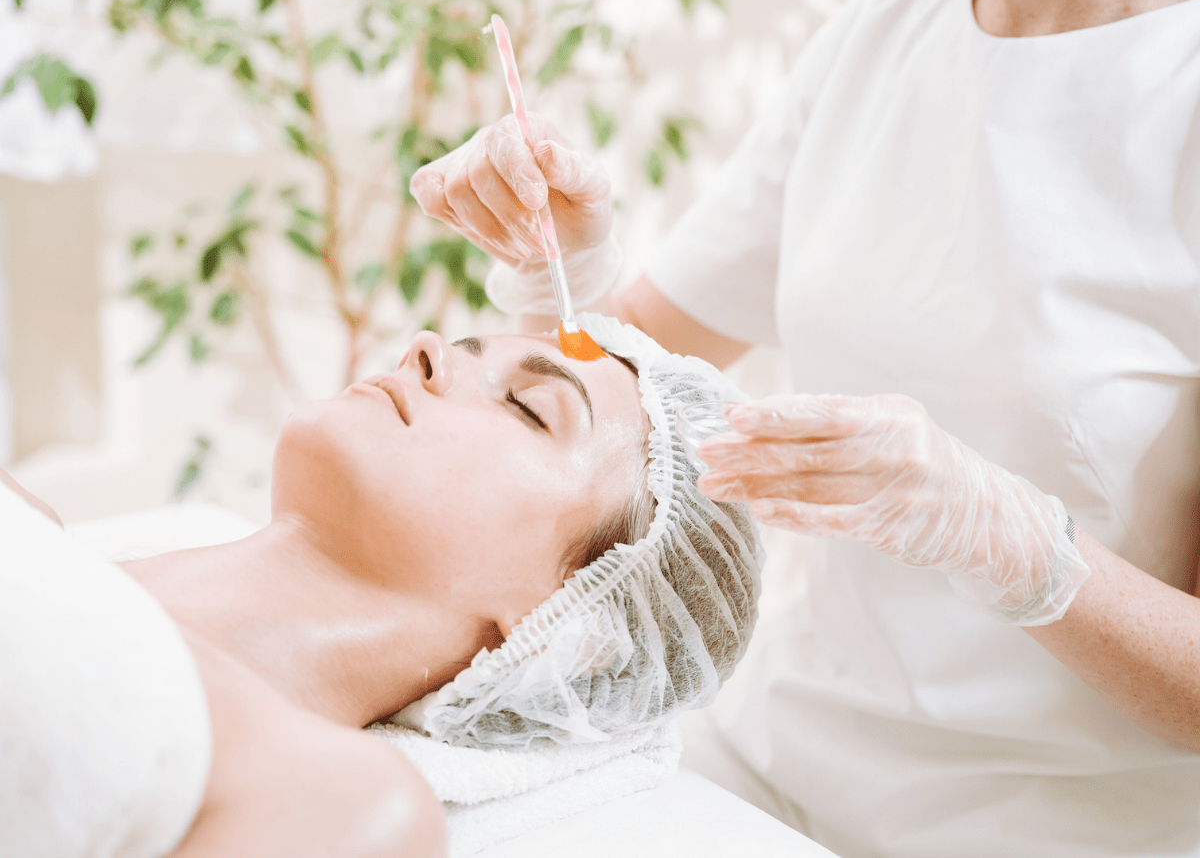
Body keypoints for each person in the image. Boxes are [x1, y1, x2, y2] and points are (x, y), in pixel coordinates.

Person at [407, 0, 1200, 855]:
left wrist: (1018, 546)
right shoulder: (886, 33)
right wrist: (562, 265)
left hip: (1060, 827)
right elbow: (628, 376)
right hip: (767, 761)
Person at [0, 317, 764, 857]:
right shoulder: (32, 525)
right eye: (463, 346)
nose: (426, 347)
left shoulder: (342, 803)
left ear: (573, 629)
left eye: (529, 408)